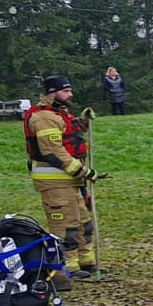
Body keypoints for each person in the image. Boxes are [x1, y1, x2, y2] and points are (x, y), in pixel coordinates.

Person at [25, 75, 99, 280]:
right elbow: (53, 151)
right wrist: (83, 171)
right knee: (65, 225)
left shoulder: (59, 114)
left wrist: (84, 121)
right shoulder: (42, 118)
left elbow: (69, 132)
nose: (70, 94)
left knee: (83, 222)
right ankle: (67, 267)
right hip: (55, 180)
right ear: (52, 93)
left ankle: (86, 261)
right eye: (66, 91)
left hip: (70, 180)